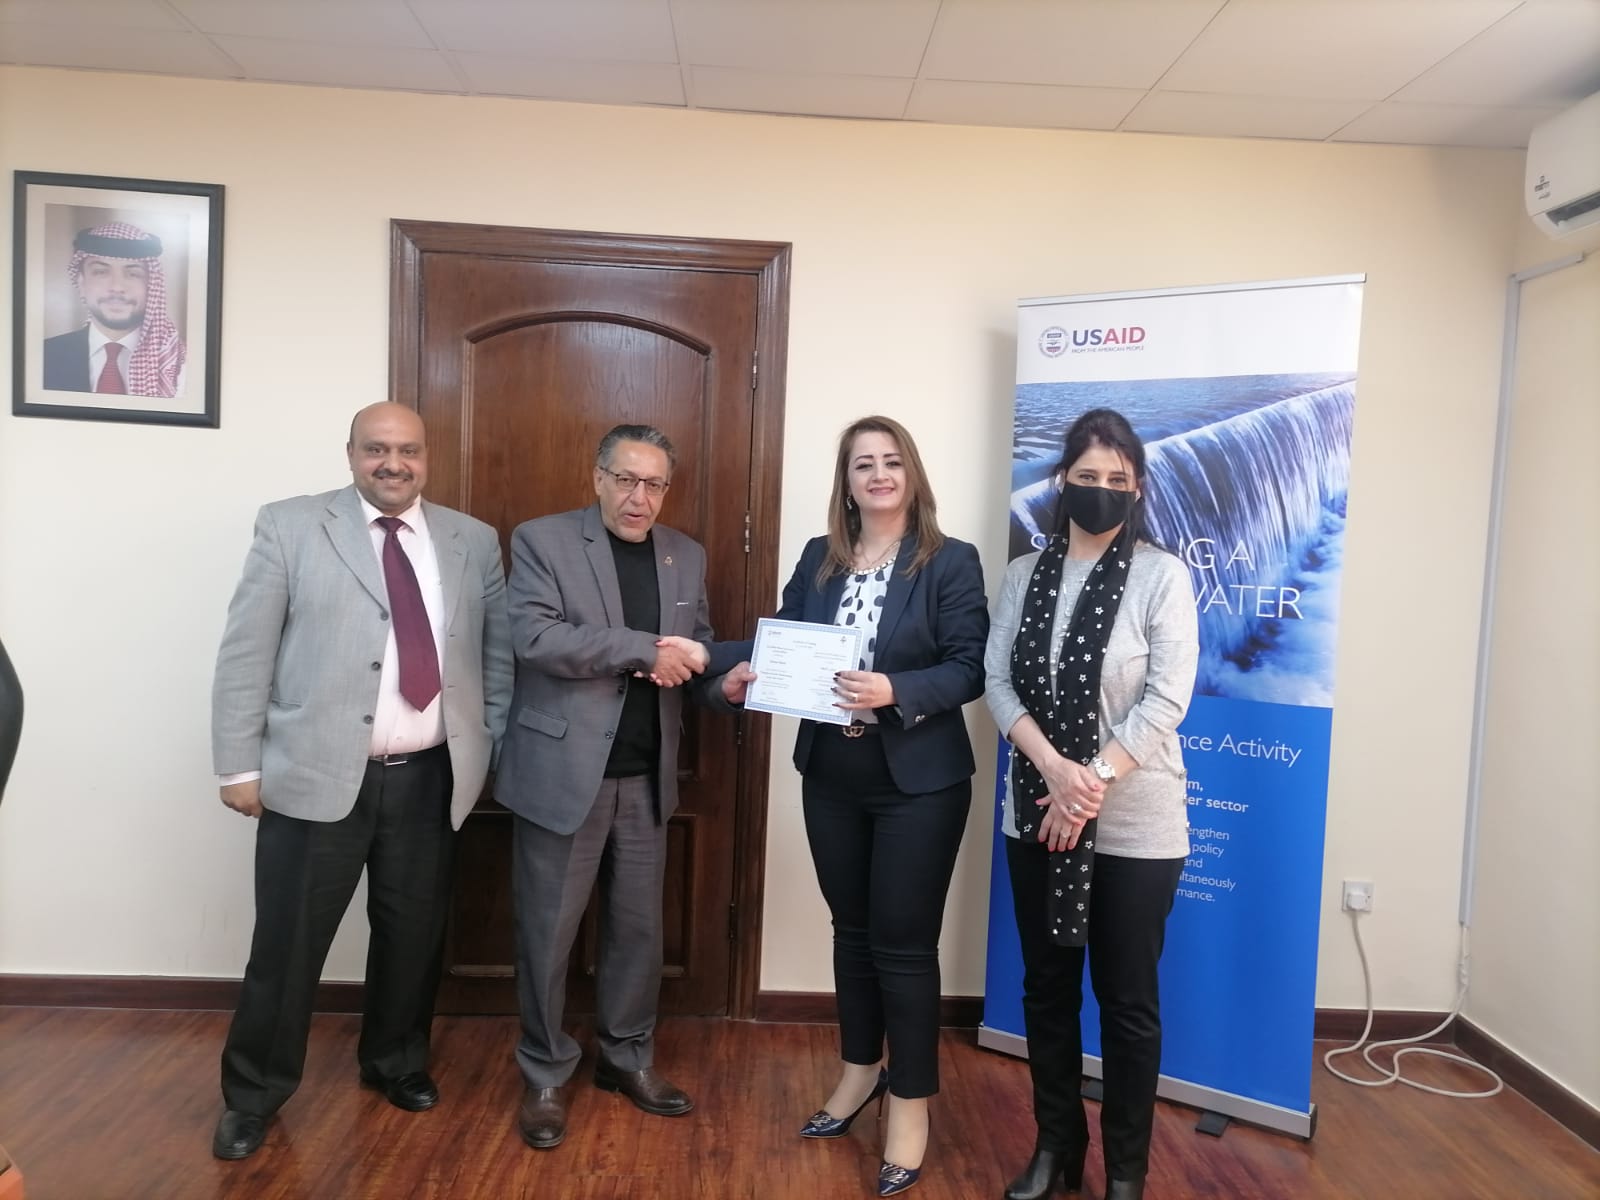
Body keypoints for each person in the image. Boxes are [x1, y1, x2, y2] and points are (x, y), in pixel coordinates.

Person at [209, 402, 513, 1160]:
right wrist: (239, 765)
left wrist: (490, 750)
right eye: (377, 449)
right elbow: (246, 652)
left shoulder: (472, 541)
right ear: (350, 454)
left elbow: (495, 657)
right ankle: (254, 1096)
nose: (393, 463)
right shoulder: (290, 525)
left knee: (413, 938)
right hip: (313, 776)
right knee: (287, 947)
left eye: (408, 450)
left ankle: (396, 1063)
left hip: (431, 777)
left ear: (427, 457)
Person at [711, 415, 988, 1198]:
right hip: (831, 772)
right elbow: (782, 644)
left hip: (919, 783)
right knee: (853, 933)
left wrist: (896, 688)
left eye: (891, 461)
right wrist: (722, 666)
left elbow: (969, 666)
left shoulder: (950, 561)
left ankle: (911, 1103)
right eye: (863, 464)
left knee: (904, 946)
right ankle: (860, 1069)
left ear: (912, 473)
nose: (878, 474)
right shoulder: (819, 557)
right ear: (848, 482)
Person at [496, 424, 733, 1152]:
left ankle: (627, 1059)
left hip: (647, 777)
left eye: (654, 484)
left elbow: (694, 656)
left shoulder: (686, 554)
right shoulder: (543, 540)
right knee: (547, 933)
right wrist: (642, 650)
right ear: (598, 477)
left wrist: (725, 684)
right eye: (626, 479)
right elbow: (536, 638)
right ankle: (544, 1071)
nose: (640, 497)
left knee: (638, 933)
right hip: (562, 775)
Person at [983, 408, 1198, 1200]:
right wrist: (1054, 769)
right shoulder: (1023, 575)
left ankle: (1127, 1173)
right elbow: (997, 681)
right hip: (1035, 812)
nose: (1100, 490)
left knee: (1127, 1005)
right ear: (1062, 481)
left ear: (1135, 488)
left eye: (1117, 479)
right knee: (1046, 991)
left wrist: (1089, 784)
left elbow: (1166, 699)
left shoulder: (1161, 576)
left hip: (1137, 828)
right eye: (1086, 476)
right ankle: (1057, 1149)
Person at [42, 221, 186, 397]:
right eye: (101, 272)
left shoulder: (180, 364)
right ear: (81, 283)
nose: (117, 287)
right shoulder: (41, 357)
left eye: (133, 274)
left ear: (151, 285)